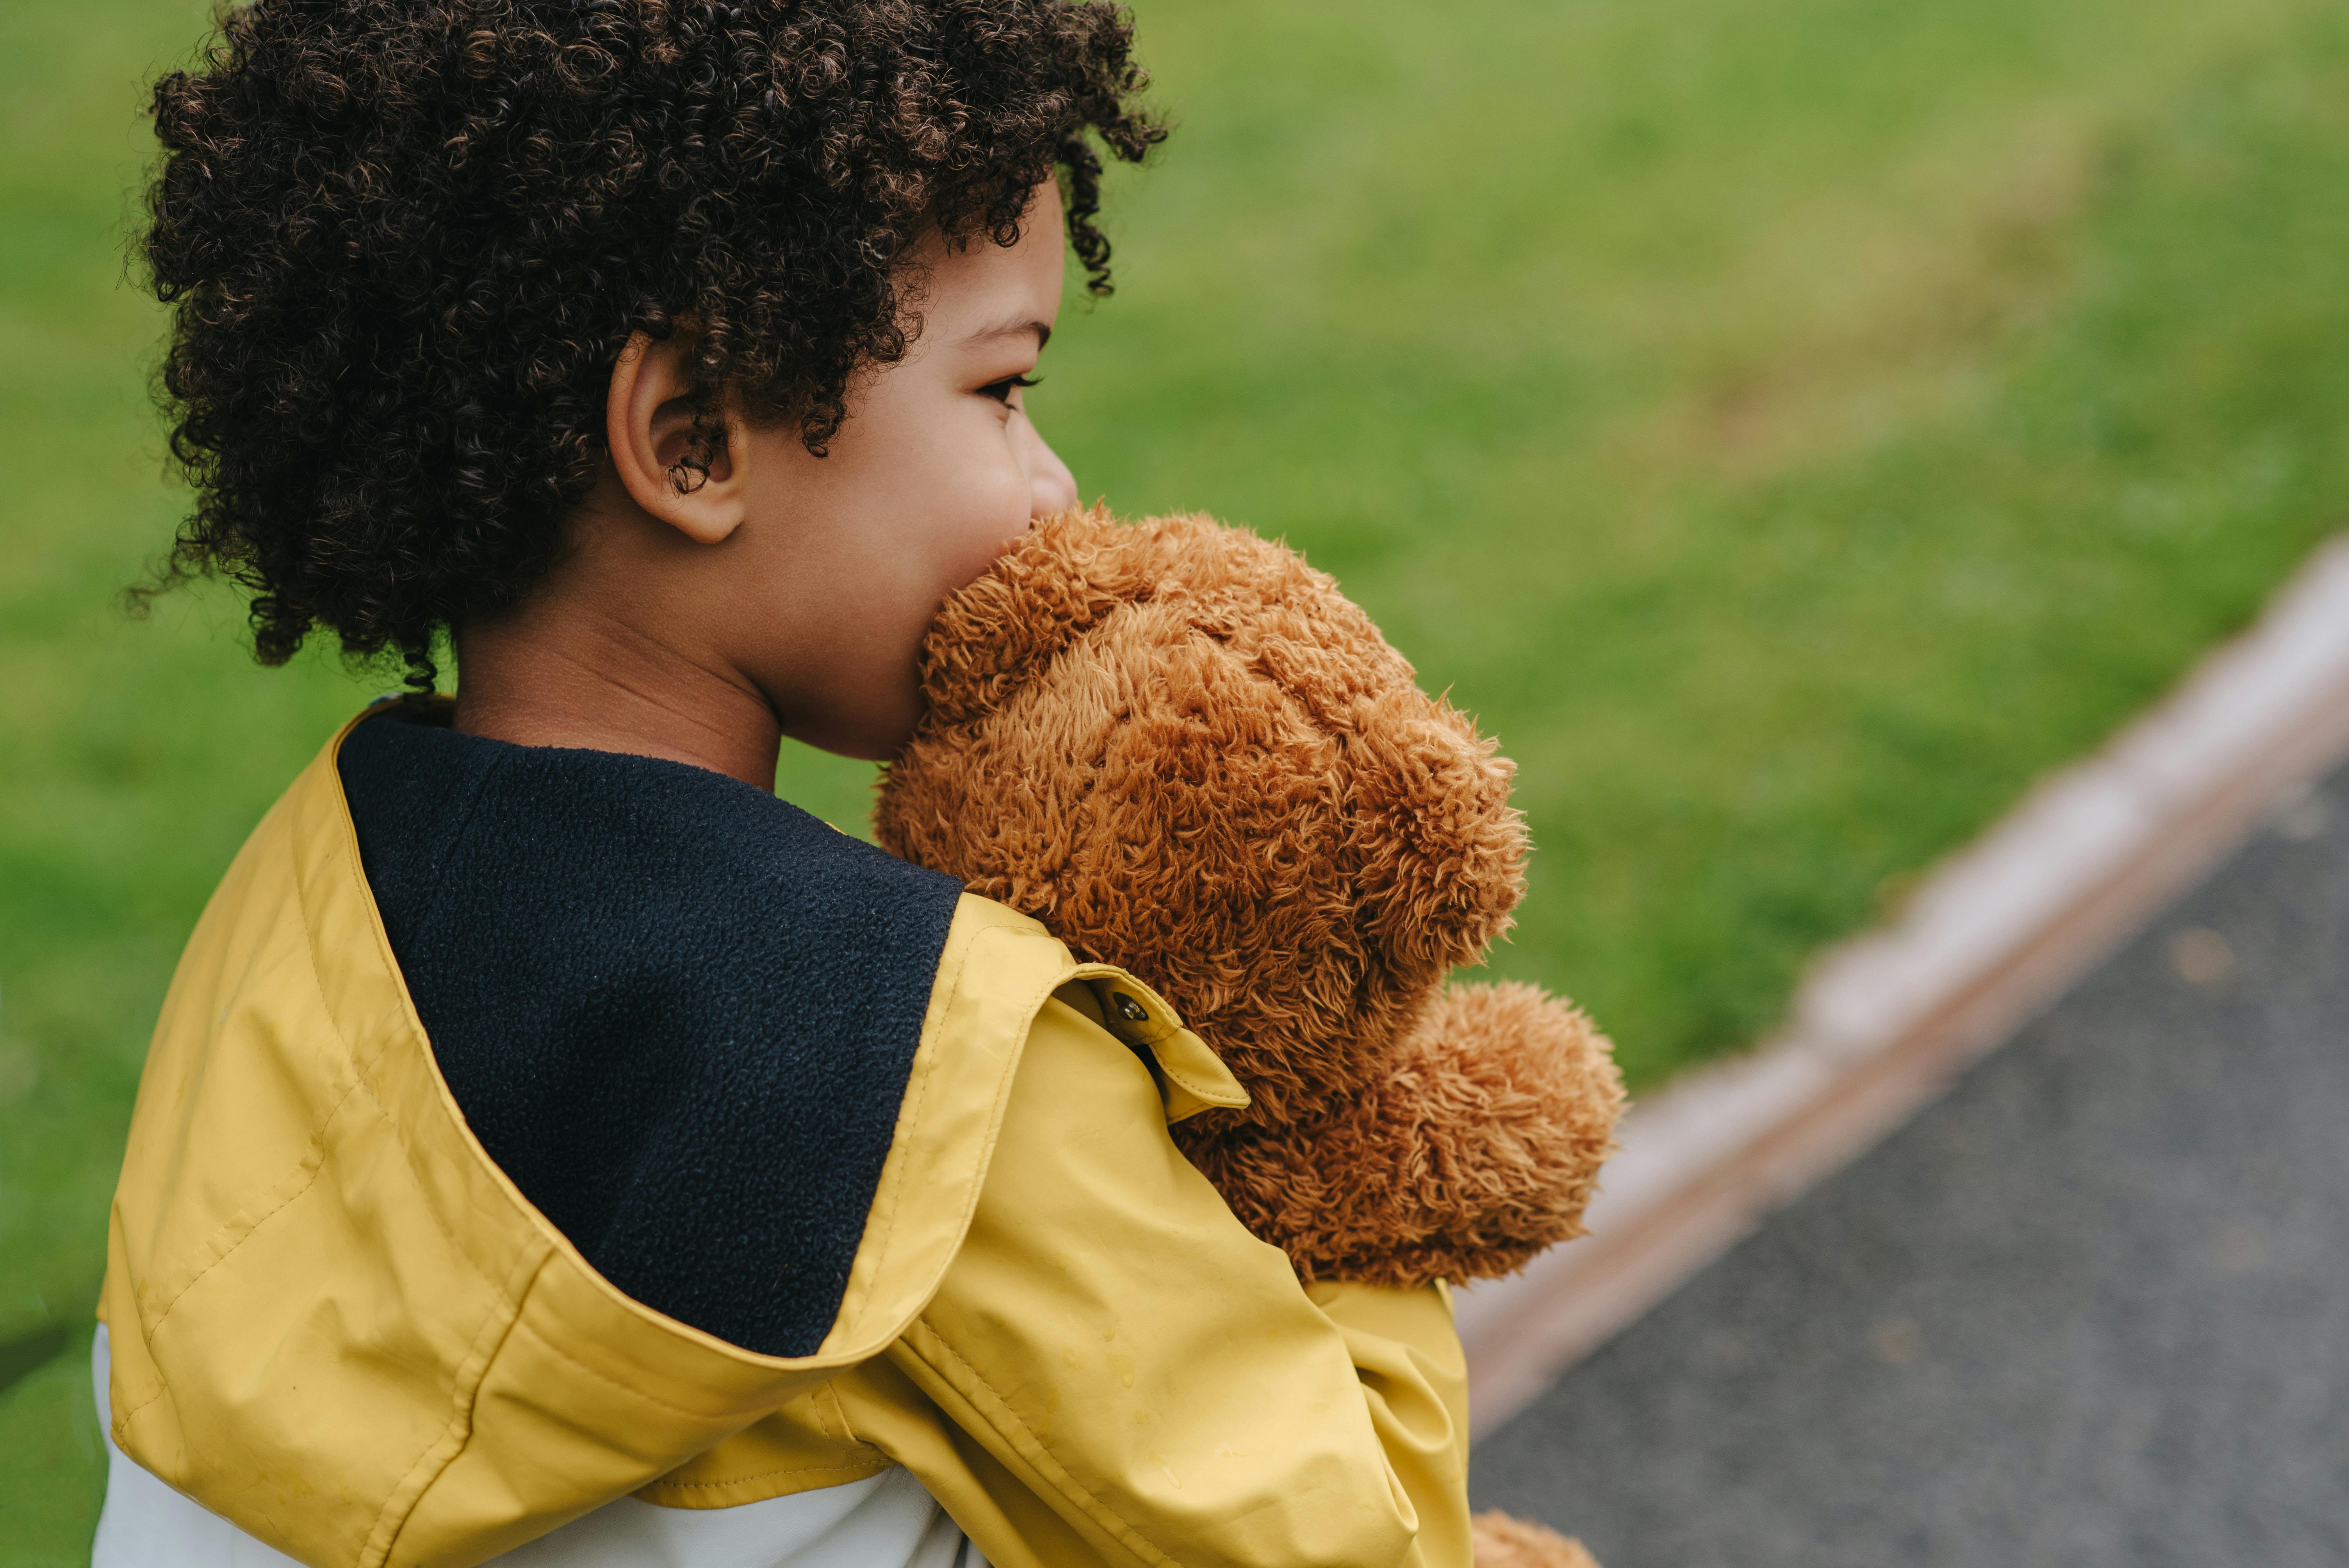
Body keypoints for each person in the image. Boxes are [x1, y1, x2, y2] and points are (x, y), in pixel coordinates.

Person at [92, 2, 1476, 1565]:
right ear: (692, 442)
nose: (1052, 481)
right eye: (999, 388)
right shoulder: (938, 1068)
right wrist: (1342, 1142)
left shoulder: (293, 925)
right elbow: (1359, 1541)